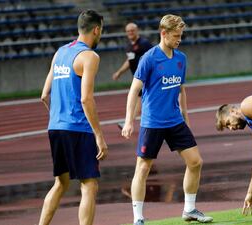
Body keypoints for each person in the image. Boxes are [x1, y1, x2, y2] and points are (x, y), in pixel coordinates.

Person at [121, 14, 213, 225]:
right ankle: (138, 218)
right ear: (164, 33)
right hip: (152, 122)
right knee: (142, 169)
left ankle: (189, 209)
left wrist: (186, 118)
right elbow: (133, 90)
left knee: (195, 162)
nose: (179, 39)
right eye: (176, 36)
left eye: (181, 36)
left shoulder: (181, 58)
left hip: (175, 121)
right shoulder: (149, 58)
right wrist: (128, 121)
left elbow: (181, 91)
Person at [39, 9, 108, 225]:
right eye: (101, 31)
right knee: (89, 185)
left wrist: (58, 118)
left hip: (56, 127)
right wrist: (99, 135)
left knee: (61, 183)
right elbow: (86, 99)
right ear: (96, 30)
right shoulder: (89, 56)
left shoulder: (60, 52)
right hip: (78, 128)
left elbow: (44, 95)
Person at [112, 23, 153, 128]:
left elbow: (154, 57)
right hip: (138, 78)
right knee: (141, 101)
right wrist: (119, 72)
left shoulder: (144, 44)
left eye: (132, 30)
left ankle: (129, 122)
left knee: (141, 100)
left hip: (148, 78)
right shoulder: (129, 46)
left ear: (137, 30)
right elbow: (129, 61)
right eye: (128, 31)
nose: (130, 32)